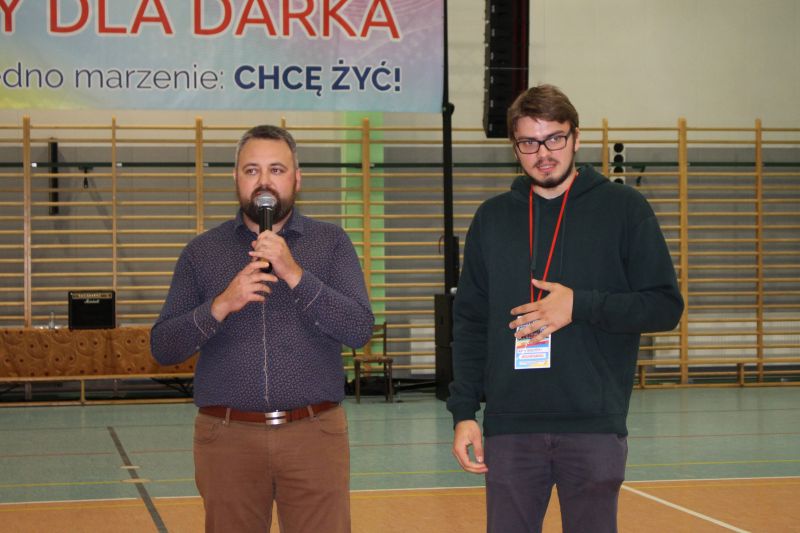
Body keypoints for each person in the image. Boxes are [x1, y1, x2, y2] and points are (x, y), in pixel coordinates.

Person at [447, 84, 684, 533]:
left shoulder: (624, 209)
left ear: (576, 137)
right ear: (514, 148)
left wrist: (580, 305)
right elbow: (471, 323)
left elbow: (664, 306)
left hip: (593, 424)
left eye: (554, 138)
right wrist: (463, 413)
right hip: (510, 428)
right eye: (529, 142)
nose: (543, 153)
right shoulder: (492, 219)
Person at [151, 124, 374, 533]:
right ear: (235, 178)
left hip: (314, 435)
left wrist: (295, 274)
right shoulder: (202, 252)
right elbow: (164, 346)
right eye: (252, 170)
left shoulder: (331, 243)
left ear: (297, 179)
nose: (264, 181)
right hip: (227, 438)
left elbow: (359, 328)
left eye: (277, 169)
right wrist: (221, 305)